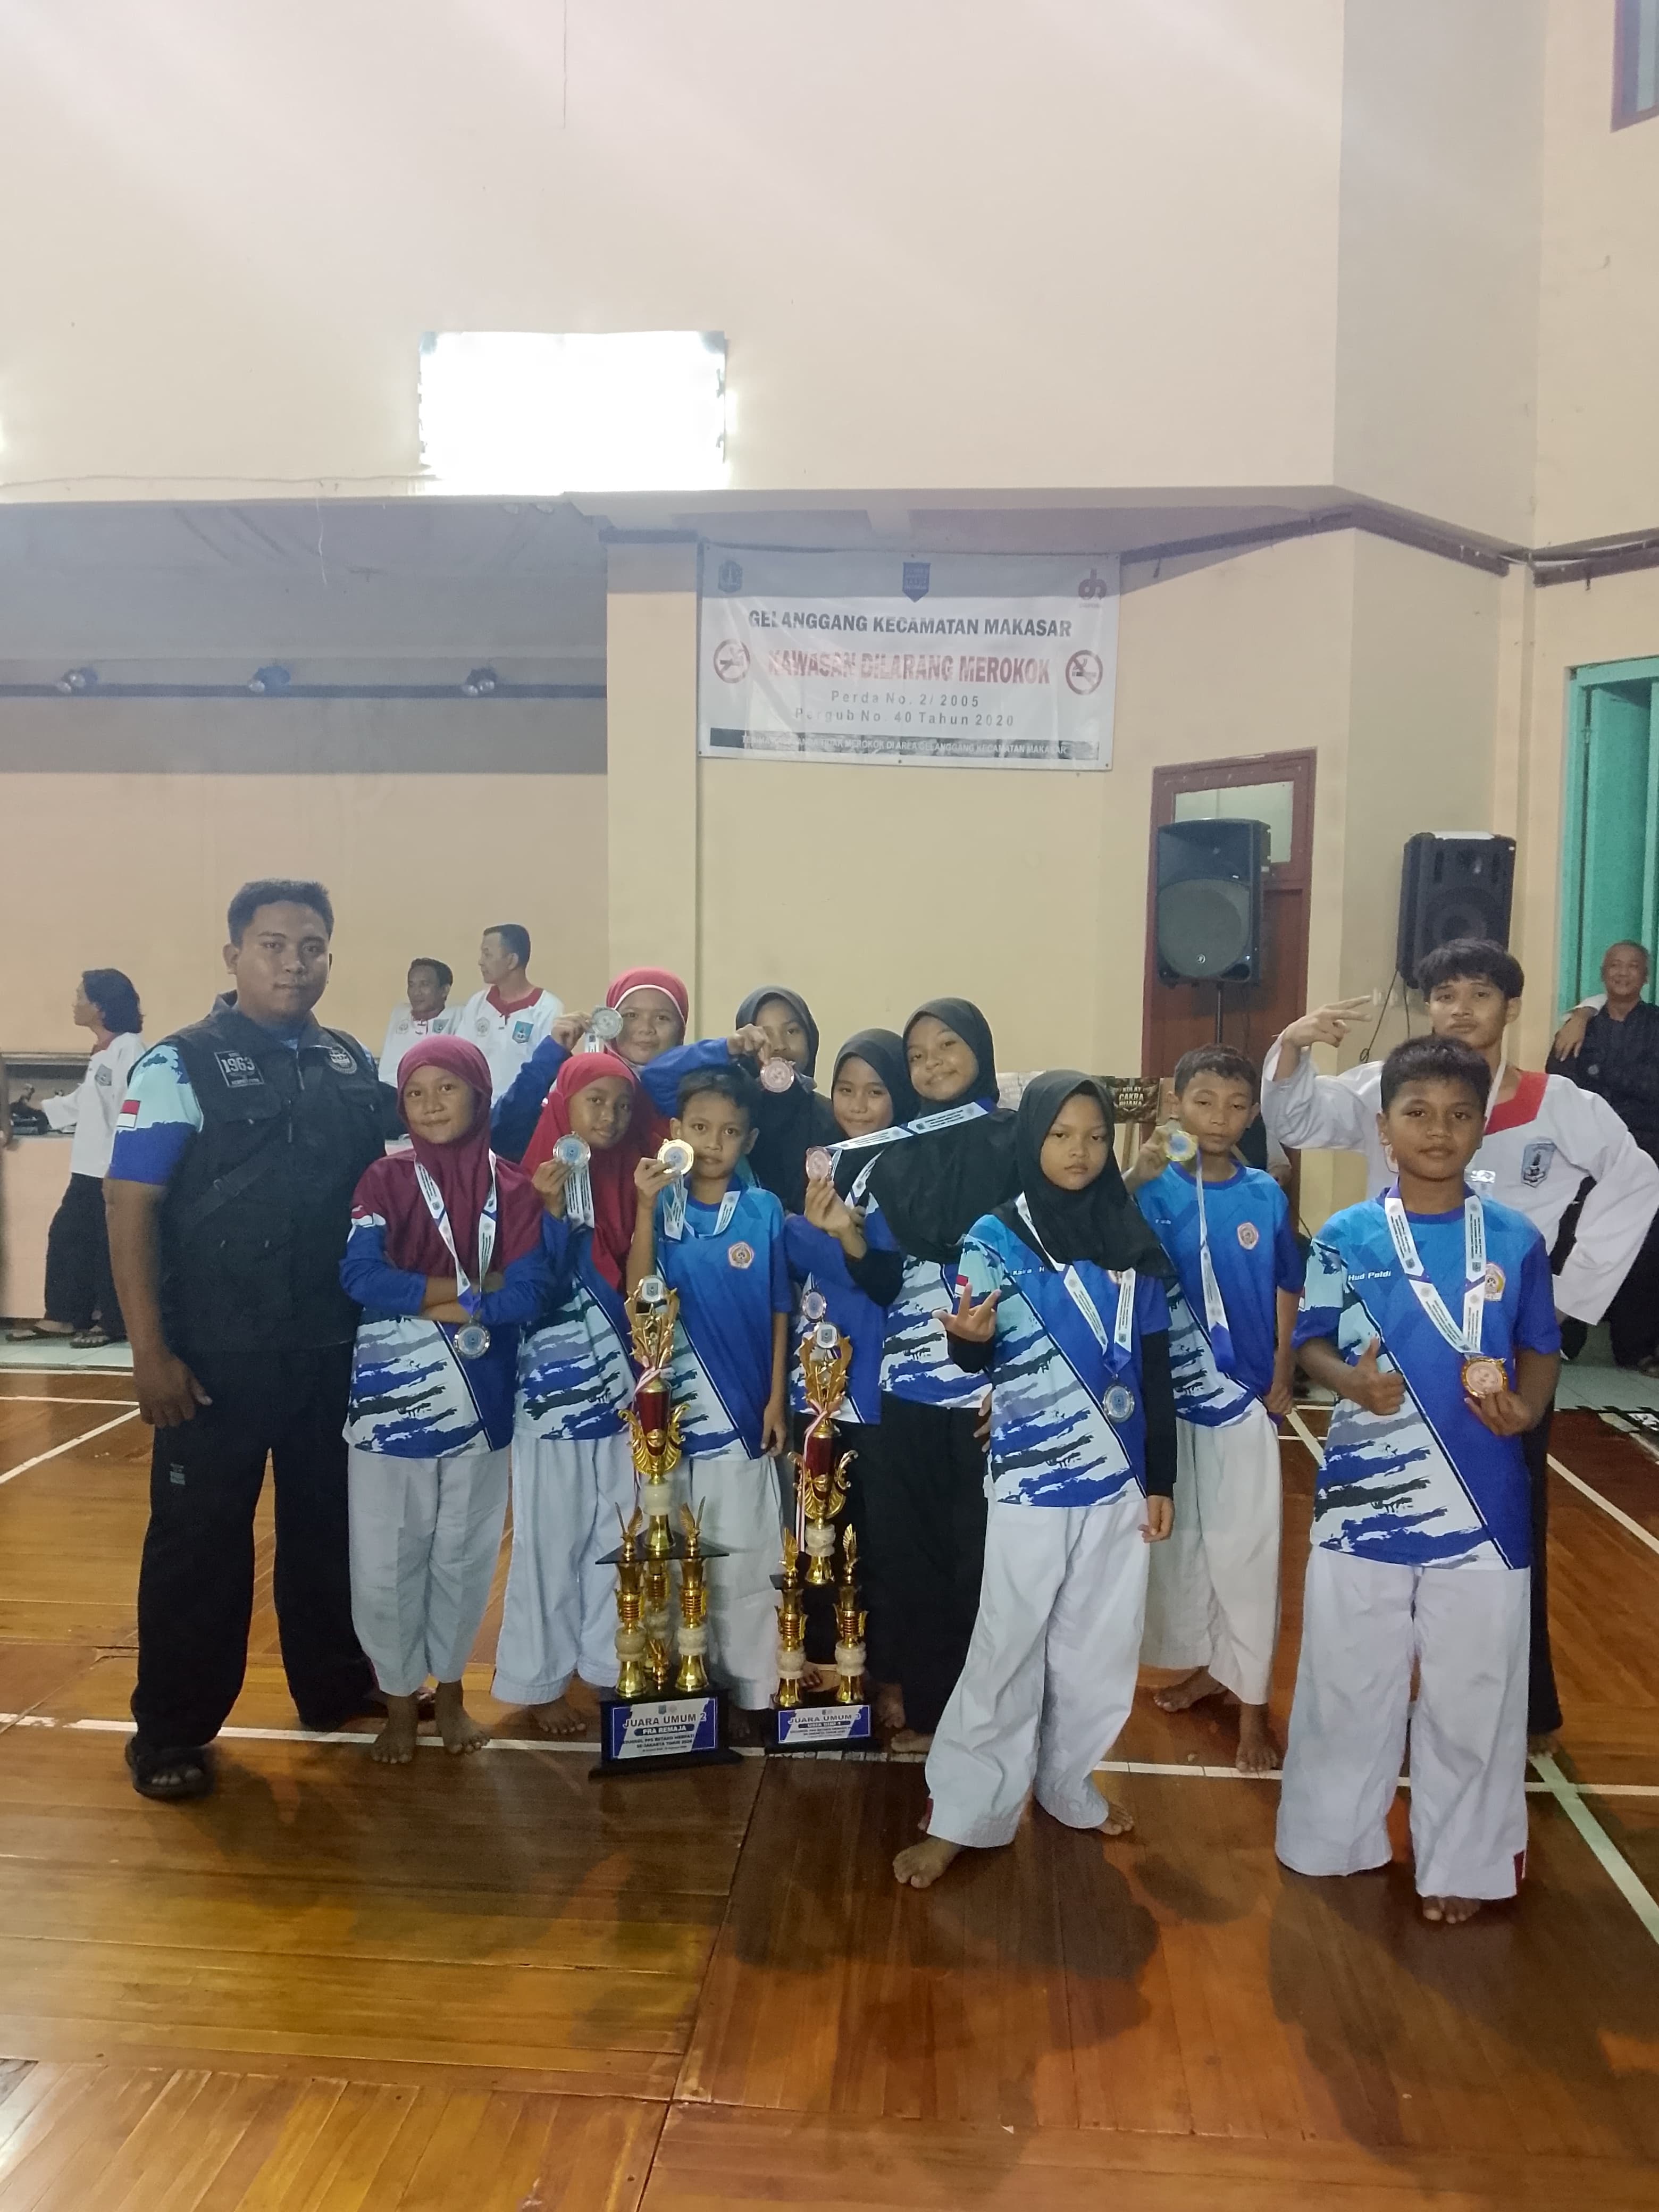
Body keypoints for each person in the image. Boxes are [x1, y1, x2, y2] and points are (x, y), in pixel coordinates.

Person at [1260, 938, 1659, 1741]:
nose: (1461, 1009)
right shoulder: (1389, 1087)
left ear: (1511, 1007)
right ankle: (1382, 1705)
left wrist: (1567, 1298)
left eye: (1480, 994)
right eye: (1445, 994)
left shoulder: (1559, 1103)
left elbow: (1636, 1177)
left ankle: (1516, 1707)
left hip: (1500, 1360)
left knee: (1507, 1527)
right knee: (1387, 1527)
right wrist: (1293, 1046)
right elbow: (1295, 1116)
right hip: (1394, 1349)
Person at [105, 879, 397, 1802]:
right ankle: (171, 1731)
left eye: (311, 947)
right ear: (234, 955)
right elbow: (129, 1206)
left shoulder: (348, 1061)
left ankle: (334, 1685)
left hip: (330, 1350)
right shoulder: (176, 1064)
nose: (293, 964)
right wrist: (149, 1352)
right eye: (273, 945)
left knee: (330, 1534)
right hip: (213, 1360)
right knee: (199, 1549)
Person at [1276, 1035, 1560, 1925]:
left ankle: (1465, 1865)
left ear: (1482, 1126)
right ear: (1384, 1127)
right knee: (1347, 1681)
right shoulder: (1347, 1235)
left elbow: (1540, 1347)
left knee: (1474, 1696)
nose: (1439, 1131)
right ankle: (1331, 1837)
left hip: (1485, 1507)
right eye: (1418, 1113)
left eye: (1459, 1114)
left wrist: (1527, 1410)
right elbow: (1310, 1344)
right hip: (1364, 1501)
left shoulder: (1515, 1238)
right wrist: (1351, 1382)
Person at [892, 1073, 1177, 1890]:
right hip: (1029, 1476)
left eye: (1095, 1136)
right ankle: (964, 1813)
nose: (1080, 1151)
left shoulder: (1129, 1231)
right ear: (1031, 1140)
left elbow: (1154, 1369)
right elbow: (971, 1356)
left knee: (1100, 1645)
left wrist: (1162, 1478)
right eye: (1060, 1135)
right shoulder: (995, 1235)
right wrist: (969, 1343)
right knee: (1006, 1645)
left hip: (1120, 1480)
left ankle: (1066, 1782)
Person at [340, 1036, 549, 1763]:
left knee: (463, 1552)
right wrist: (471, 1293)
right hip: (391, 1400)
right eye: (415, 1093)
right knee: (385, 1556)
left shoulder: (514, 1188)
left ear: (480, 1094)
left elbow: (528, 1293)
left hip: (480, 1398)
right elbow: (360, 1277)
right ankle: (401, 1702)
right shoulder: (384, 1179)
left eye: (447, 1088)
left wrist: (425, 1299)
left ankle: (453, 1694)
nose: (431, 1105)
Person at [1129, 1046, 1301, 1774]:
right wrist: (1132, 1179)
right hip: (1165, 1402)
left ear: (1254, 1113)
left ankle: (1254, 1706)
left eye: (1235, 1106)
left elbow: (1288, 1284)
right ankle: (1207, 1666)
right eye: (1203, 1102)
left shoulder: (1266, 1193)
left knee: (1247, 1554)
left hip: (1242, 1400)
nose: (1219, 1119)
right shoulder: (1149, 1188)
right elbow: (1104, 1256)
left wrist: (1285, 1367)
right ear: (1176, 1102)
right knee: (1183, 1548)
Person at [861, 999, 1020, 1751]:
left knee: (983, 1558)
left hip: (990, 1389)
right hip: (907, 1384)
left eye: (947, 1045)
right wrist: (845, 1236)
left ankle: (987, 1718)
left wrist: (1012, 1378)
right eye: (917, 1055)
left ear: (980, 1048)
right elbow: (882, 1279)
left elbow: (1042, 1267)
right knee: (913, 1552)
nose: (932, 1064)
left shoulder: (1018, 1144)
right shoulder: (892, 1159)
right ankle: (932, 1710)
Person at [491, 1050, 651, 1736]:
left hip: (623, 1388)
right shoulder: (525, 1183)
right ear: (563, 1105)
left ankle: (612, 1663)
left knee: (620, 1531)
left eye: (622, 1104)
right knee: (548, 1539)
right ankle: (540, 1678)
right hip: (552, 1395)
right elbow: (524, 1289)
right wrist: (550, 1213)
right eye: (595, 1101)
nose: (609, 1117)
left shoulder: (638, 1177)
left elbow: (645, 1286)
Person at [627, 1064, 790, 1725]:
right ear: (675, 1131)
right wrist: (644, 1209)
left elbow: (780, 1308)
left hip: (743, 1406)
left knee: (746, 1551)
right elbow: (638, 1295)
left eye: (729, 1131)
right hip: (669, 1412)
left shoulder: (763, 1209)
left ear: (749, 1139)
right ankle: (676, 1680)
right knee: (670, 1548)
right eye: (700, 1127)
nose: (713, 1142)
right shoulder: (659, 1206)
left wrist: (776, 1398)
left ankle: (753, 1684)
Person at [782, 1029, 916, 1694]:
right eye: (845, 1089)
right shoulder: (822, 1165)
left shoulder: (907, 1170)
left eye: (875, 1091)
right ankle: (814, 1661)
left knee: (874, 1534)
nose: (858, 1105)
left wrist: (819, 1234)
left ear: (901, 1097)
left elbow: (887, 1275)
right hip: (814, 1379)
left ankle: (878, 1669)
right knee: (815, 1527)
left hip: (874, 1377)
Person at [491, 965, 767, 1162]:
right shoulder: (579, 1084)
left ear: (681, 1029)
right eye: (631, 1016)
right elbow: (504, 1133)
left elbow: (656, 1076)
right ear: (610, 1022)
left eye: (662, 1018)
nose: (646, 1029)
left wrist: (728, 1050)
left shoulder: (697, 1093)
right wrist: (550, 1054)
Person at [8, 969, 144, 1349]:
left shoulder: (130, 1050)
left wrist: (124, 1167)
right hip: (87, 1167)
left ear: (100, 1007)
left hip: (111, 1169)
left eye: (81, 996)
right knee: (70, 1237)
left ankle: (114, 1322)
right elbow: (85, 1101)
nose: (74, 1003)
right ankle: (65, 1316)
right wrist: (38, 1109)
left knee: (107, 1245)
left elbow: (131, 1108)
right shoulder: (104, 1051)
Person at [1548, 941, 1659, 1370]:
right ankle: (1559, 1338)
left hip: (1647, 1148)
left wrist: (1599, 1076)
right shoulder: (1579, 1028)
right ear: (1603, 972)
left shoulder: (1654, 1024)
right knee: (1570, 1238)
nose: (1623, 973)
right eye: (1615, 965)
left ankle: (1635, 1348)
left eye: (1633, 967)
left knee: (1645, 1248)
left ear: (1645, 976)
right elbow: (1560, 1085)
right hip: (1585, 1151)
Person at [734, 984, 840, 1213]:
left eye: (792, 1031)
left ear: (811, 1038)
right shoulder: (732, 1119)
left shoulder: (834, 1118)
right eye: (765, 1035)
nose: (780, 1046)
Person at [453, 925, 564, 1101]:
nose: (481, 962)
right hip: (479, 1107)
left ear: (512, 961)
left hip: (523, 1108)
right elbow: (460, 1057)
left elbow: (549, 1070)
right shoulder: (477, 1003)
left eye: (487, 954)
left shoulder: (547, 1008)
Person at [378, 958, 457, 1085]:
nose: (416, 992)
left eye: (424, 984)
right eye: (411, 985)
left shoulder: (457, 1017)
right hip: (386, 1089)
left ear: (444, 990)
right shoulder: (400, 1013)